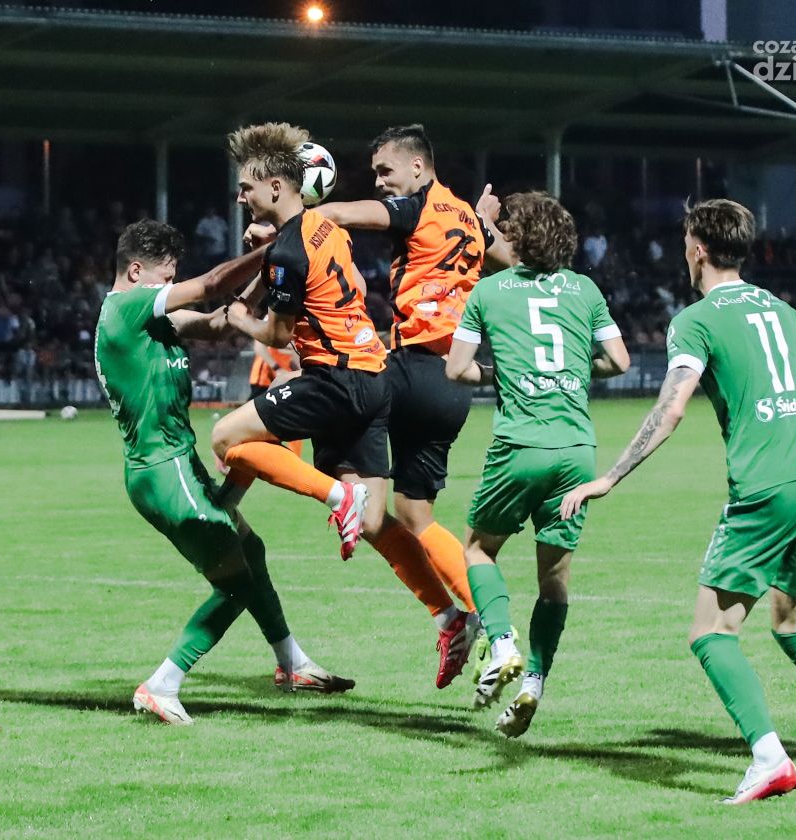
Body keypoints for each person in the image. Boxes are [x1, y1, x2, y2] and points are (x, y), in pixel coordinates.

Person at [561, 199, 796, 800]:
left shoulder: (696, 319)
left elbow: (671, 408)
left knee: (710, 632)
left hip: (767, 487)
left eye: (686, 241)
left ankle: (769, 759)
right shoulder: (778, 307)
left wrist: (610, 477)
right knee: (794, 626)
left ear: (698, 248)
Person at [213, 123, 469, 687]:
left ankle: (316, 497)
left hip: (334, 378)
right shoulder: (325, 229)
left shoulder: (287, 250)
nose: (240, 196)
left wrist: (237, 318)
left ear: (276, 186)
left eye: (246, 186)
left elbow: (277, 334)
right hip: (374, 375)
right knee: (376, 522)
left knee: (226, 437)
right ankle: (450, 617)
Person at [279, 123, 513, 688]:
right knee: (414, 518)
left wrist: (294, 219)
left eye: (386, 171)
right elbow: (510, 257)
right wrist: (484, 224)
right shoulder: (465, 216)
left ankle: (340, 497)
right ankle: (492, 631)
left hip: (410, 368)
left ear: (417, 167)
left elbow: (340, 215)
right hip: (453, 384)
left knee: (336, 434)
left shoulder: (418, 206)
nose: (381, 182)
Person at [96, 220, 351, 723]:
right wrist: (276, 247)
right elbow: (212, 284)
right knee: (235, 581)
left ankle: (292, 663)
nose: (171, 286)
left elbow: (218, 321)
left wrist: (267, 275)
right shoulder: (125, 308)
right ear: (136, 271)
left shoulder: (151, 318)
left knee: (251, 551)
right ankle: (162, 684)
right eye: (166, 278)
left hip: (176, 465)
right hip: (163, 470)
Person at [446, 191, 630, 736]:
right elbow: (619, 361)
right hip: (576, 451)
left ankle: (503, 643)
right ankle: (534, 683)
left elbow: (457, 369)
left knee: (478, 549)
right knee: (554, 581)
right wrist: (571, 373)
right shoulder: (585, 289)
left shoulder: (489, 291)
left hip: (520, 446)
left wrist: (502, 374)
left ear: (518, 238)